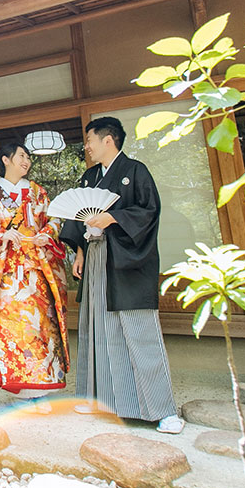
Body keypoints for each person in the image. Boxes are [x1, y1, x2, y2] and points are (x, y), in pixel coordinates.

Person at [59, 117, 184, 434]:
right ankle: (96, 400)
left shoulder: (135, 172)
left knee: (138, 329)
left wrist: (113, 217)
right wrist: (80, 253)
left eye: (90, 140)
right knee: (97, 327)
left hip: (127, 260)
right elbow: (79, 219)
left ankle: (162, 410)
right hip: (96, 258)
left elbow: (148, 212)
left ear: (108, 140)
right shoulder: (89, 178)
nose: (86, 146)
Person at [0, 143, 70, 407]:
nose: (26, 161)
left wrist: (45, 235)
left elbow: (55, 219)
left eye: (28, 157)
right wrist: (2, 234)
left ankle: (41, 391)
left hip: (36, 272)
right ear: (6, 159)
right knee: (13, 332)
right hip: (6, 275)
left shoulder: (37, 192)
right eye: (21, 156)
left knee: (40, 329)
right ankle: (21, 391)